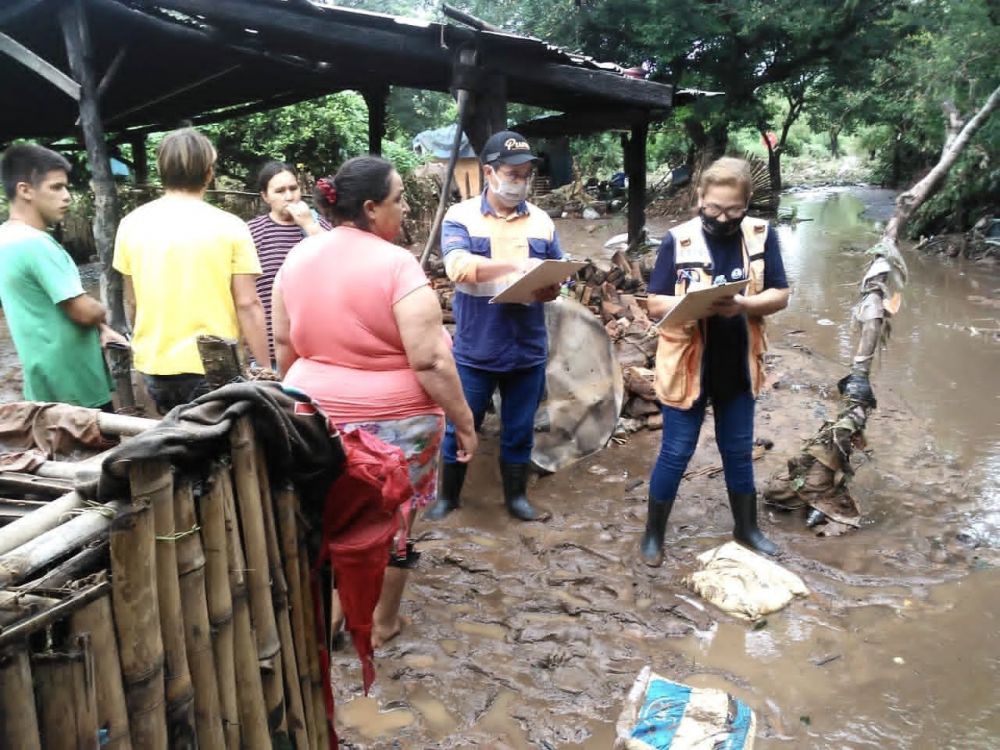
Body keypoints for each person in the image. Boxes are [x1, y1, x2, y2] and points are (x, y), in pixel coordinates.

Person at [272, 156, 476, 646]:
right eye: (398, 199)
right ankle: (381, 623)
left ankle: (333, 617)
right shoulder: (397, 264)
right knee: (394, 520)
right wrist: (464, 421)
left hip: (315, 416)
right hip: (397, 422)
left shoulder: (298, 258)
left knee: (330, 515)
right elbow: (430, 360)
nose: (404, 209)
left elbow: (283, 343)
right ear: (369, 208)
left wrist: (302, 398)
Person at [640, 156, 790, 567]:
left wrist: (743, 303)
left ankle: (747, 528)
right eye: (714, 208)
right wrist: (694, 305)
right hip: (688, 366)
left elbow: (780, 293)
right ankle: (653, 535)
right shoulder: (678, 240)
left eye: (733, 210)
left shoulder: (761, 236)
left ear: (747, 203)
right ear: (700, 198)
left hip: (738, 368)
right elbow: (654, 302)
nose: (723, 218)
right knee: (676, 452)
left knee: (738, 452)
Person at [425, 130, 563, 523]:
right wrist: (516, 266)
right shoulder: (461, 217)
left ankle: (516, 499)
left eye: (525, 174)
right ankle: (448, 497)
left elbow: (558, 269)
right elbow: (458, 268)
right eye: (512, 173)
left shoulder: (541, 221)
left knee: (518, 429)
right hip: (477, 347)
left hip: (527, 345)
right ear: (489, 172)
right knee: (460, 424)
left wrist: (551, 287)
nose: (520, 180)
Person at [113, 128, 269, 414]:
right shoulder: (231, 226)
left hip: (154, 364)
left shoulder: (131, 224)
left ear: (162, 171)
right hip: (214, 364)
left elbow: (132, 301)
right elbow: (248, 304)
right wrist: (266, 368)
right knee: (224, 448)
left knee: (174, 444)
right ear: (209, 173)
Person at [0, 144, 125, 409]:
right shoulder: (37, 244)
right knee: (102, 450)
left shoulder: (6, 238)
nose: (66, 196)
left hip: (44, 386)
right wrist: (101, 311)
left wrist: (101, 330)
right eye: (56, 187)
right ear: (25, 190)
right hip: (76, 387)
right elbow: (82, 311)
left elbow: (46, 306)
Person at [247, 161, 330, 361]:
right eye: (280, 191)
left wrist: (309, 225)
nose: (289, 196)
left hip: (316, 351)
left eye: (293, 188)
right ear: (265, 197)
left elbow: (340, 259)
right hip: (269, 353)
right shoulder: (251, 232)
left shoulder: (320, 225)